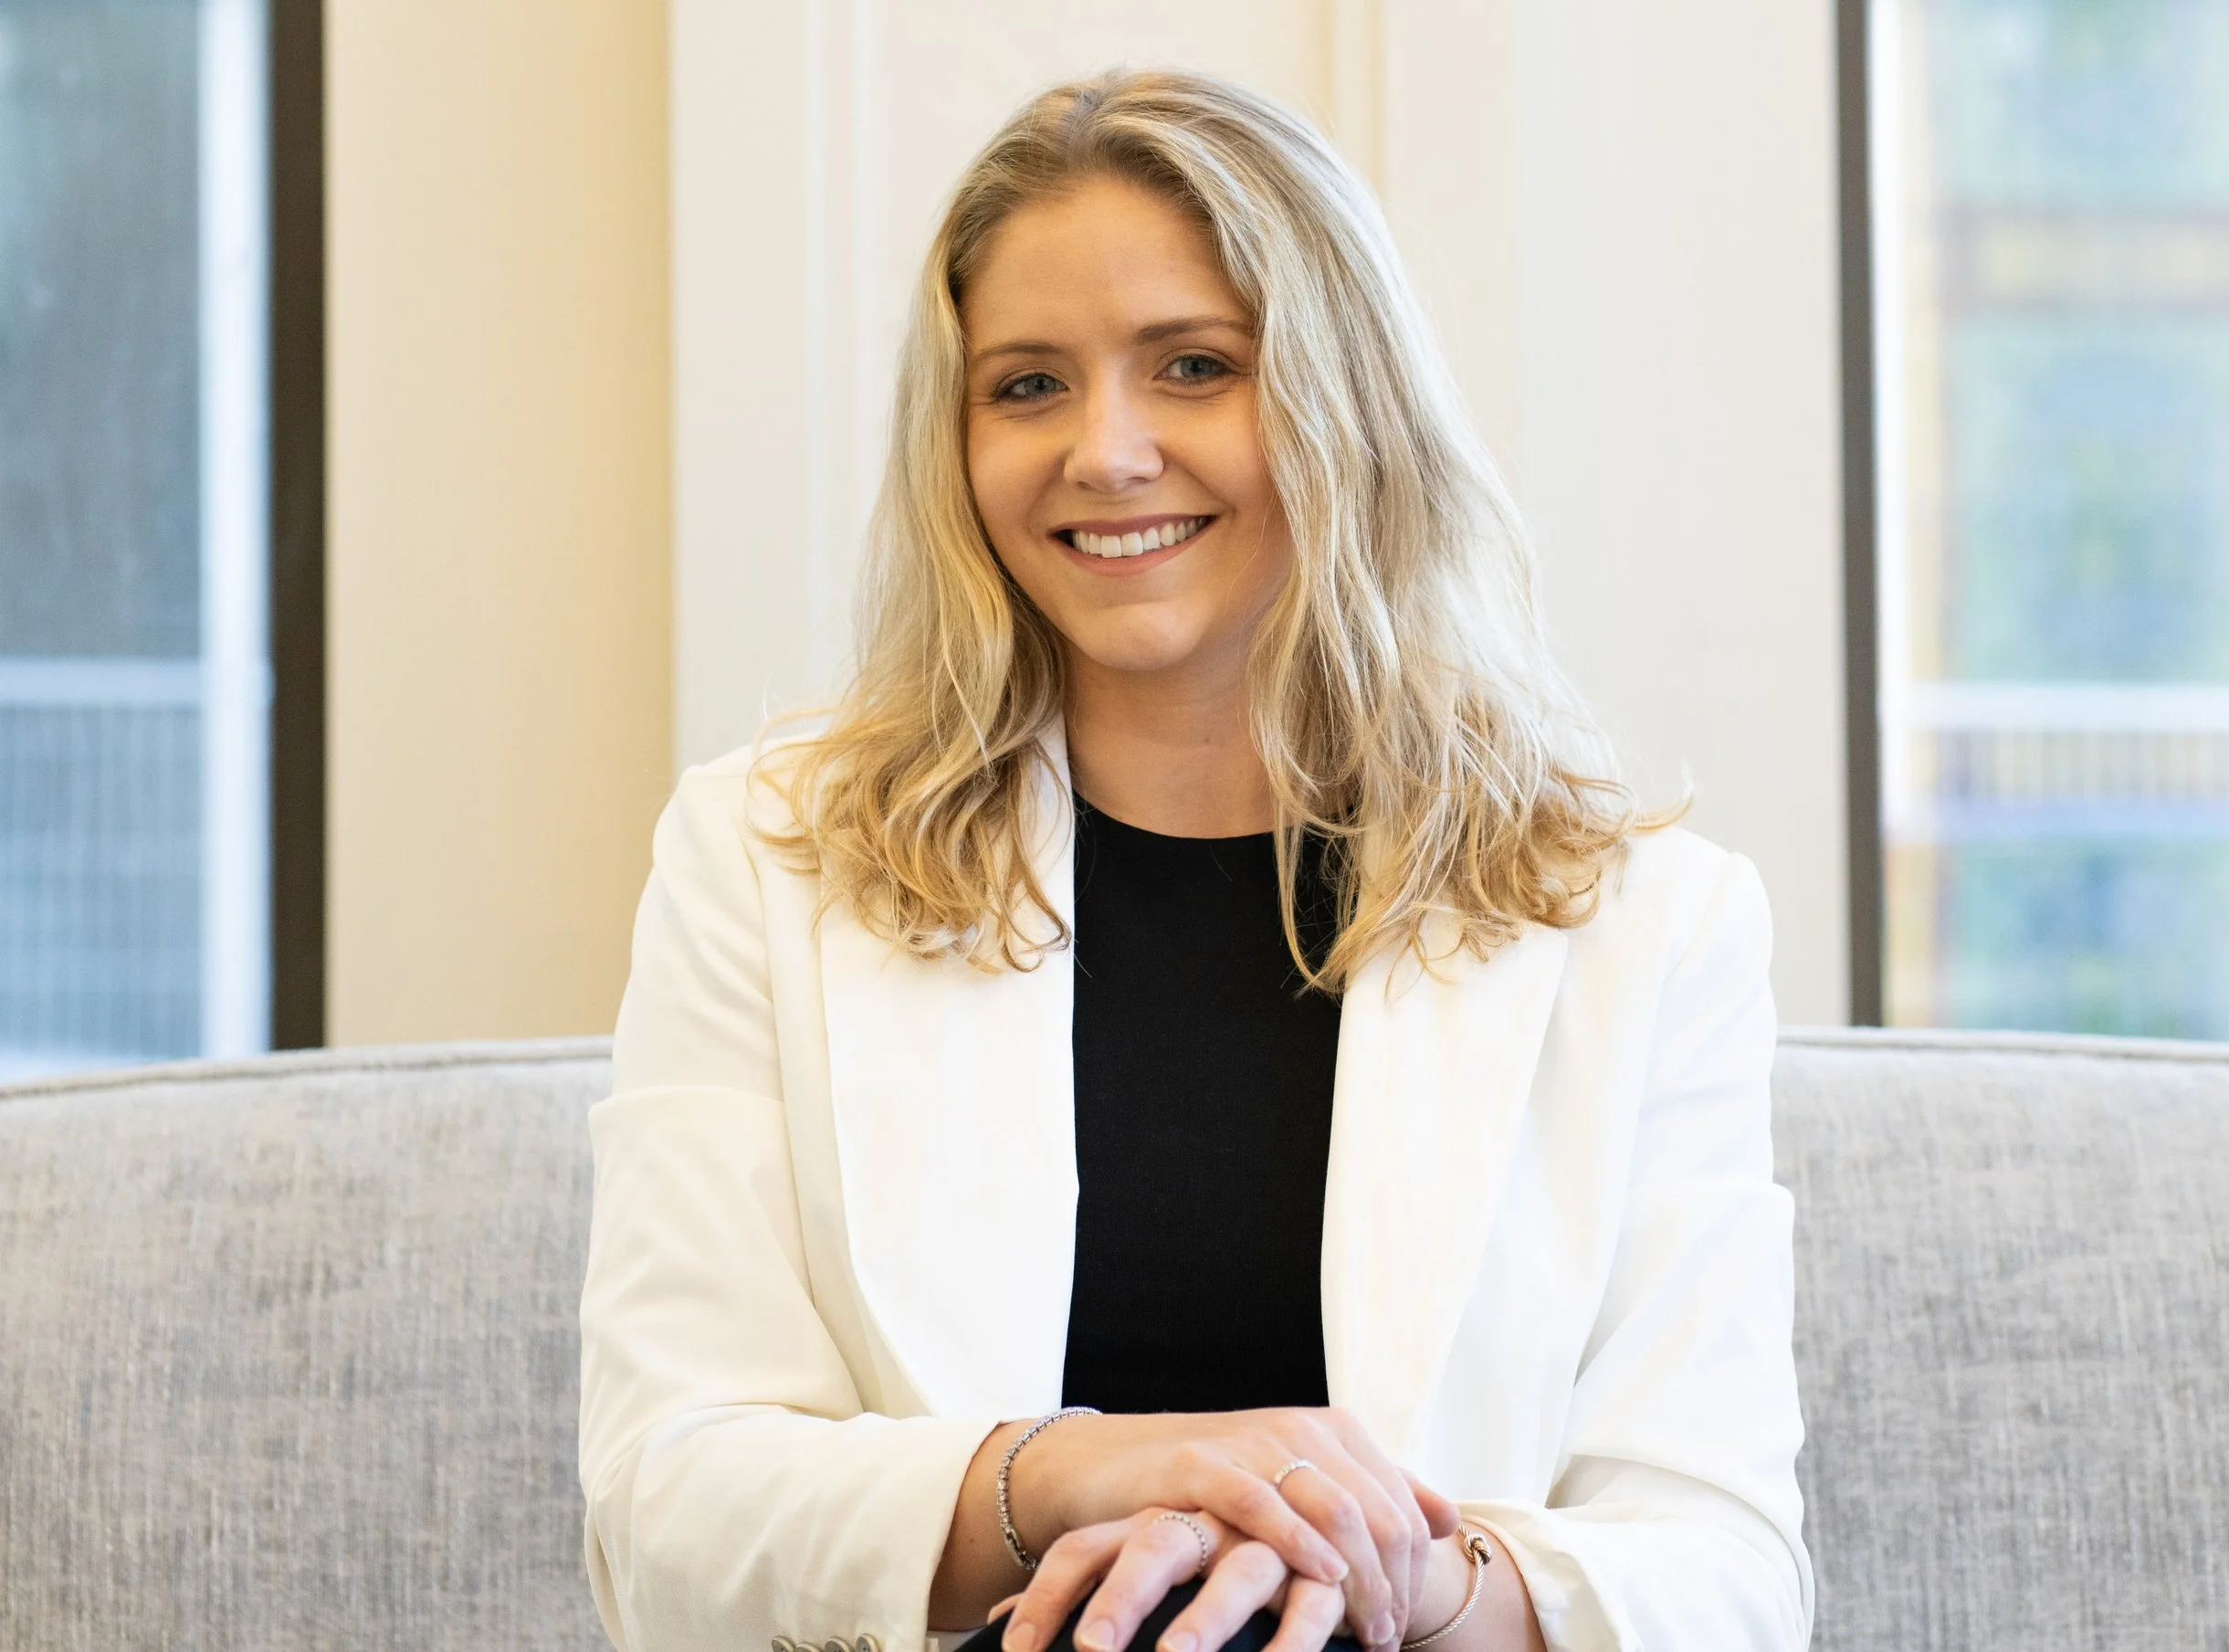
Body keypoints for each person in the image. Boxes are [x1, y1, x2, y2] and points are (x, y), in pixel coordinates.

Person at [579, 68, 1812, 1652]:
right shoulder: (765, 862)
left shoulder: (1648, 924)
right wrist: (1092, 1475)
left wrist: (1391, 1572)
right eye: (1026, 385)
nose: (1105, 452)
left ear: (1342, 400)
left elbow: (1723, 1576)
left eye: (1194, 366)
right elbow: (664, 1512)